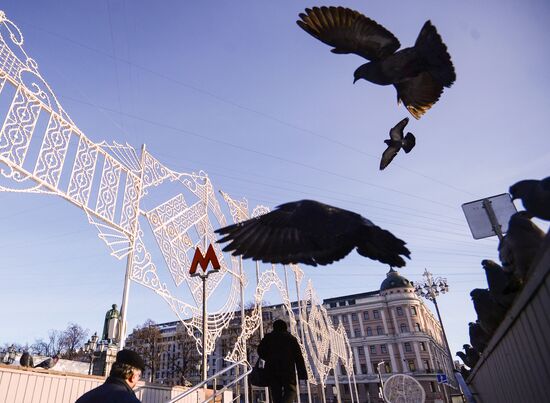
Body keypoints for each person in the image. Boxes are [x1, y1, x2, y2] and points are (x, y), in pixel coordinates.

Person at [258, 319, 307, 403]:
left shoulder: (268, 338)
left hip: (272, 369)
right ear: (285, 327)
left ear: (274, 327)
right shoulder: (291, 339)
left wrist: (268, 358)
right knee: (291, 391)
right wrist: (302, 373)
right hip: (287, 370)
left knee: (276, 393)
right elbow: (298, 357)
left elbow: (260, 351)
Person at [75, 349, 145, 403]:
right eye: (139, 376)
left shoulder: (86, 397)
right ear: (133, 376)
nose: (138, 379)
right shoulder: (129, 400)